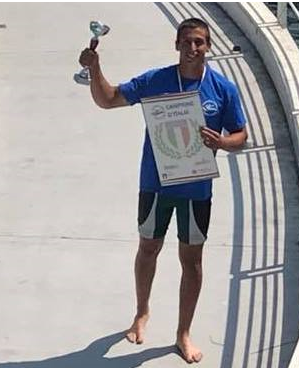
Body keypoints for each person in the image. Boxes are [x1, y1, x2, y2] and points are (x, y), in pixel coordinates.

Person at [78, 18, 248, 363]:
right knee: (148, 249)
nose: (193, 48)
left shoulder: (223, 89)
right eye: (187, 42)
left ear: (208, 45)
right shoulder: (156, 80)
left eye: (199, 42)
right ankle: (142, 312)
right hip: (155, 184)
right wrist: (95, 69)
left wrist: (223, 142)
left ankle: (183, 332)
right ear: (176, 44)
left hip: (197, 189)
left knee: (193, 261)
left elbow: (241, 136)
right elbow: (108, 100)